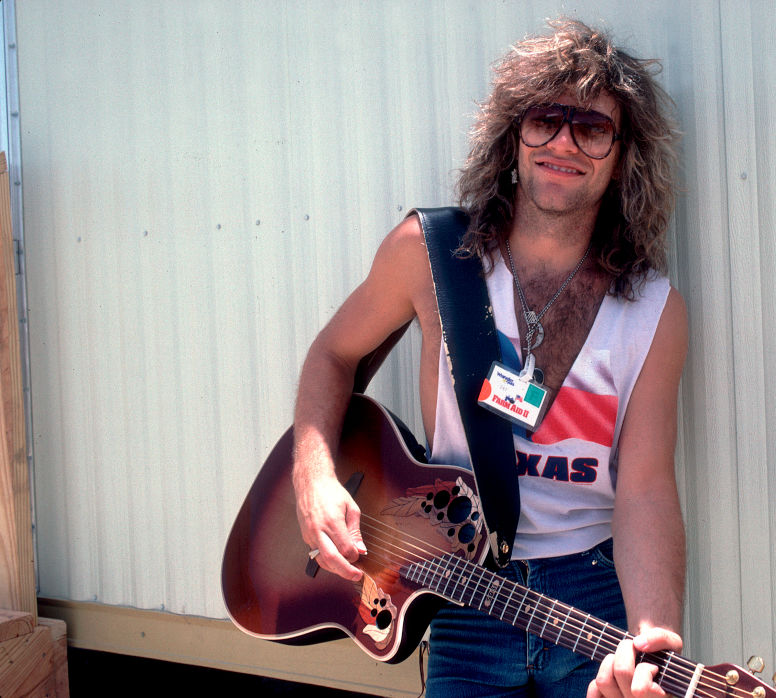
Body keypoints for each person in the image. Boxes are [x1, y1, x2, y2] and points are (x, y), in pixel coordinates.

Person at [291, 18, 687, 698]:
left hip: (592, 595)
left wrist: (651, 641)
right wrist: (315, 477)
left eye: (592, 129)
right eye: (545, 121)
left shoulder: (653, 309)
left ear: (624, 157)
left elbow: (646, 488)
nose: (564, 142)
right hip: (462, 587)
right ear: (513, 135)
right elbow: (332, 355)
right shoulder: (432, 255)